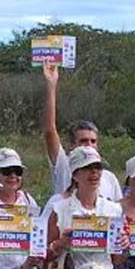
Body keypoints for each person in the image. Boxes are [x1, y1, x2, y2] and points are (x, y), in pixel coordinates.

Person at [42, 147, 126, 269]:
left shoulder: (114, 210)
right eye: (87, 168)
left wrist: (123, 245)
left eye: (98, 168)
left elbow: (117, 261)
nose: (94, 173)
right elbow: (43, 259)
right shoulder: (60, 210)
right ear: (74, 174)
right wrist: (61, 244)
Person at [39, 63, 123, 200]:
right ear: (72, 145)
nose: (89, 145)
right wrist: (51, 84)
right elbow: (49, 131)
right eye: (83, 141)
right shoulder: (63, 166)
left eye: (93, 141)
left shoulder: (109, 178)